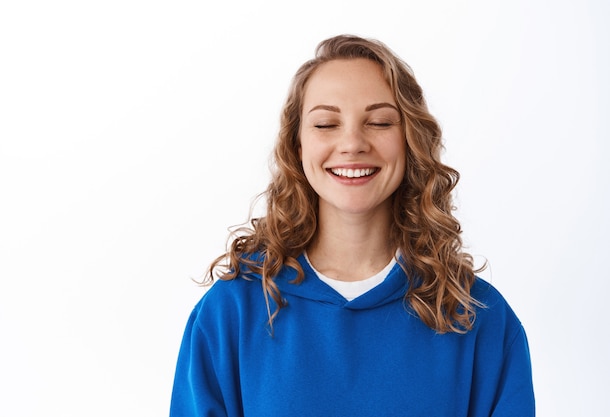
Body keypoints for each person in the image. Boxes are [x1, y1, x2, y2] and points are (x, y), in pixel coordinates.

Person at [170, 34, 535, 416]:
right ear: (297, 146)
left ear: (411, 141)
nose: (352, 143)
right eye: (326, 124)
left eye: (378, 122)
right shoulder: (231, 312)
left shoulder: (478, 317)